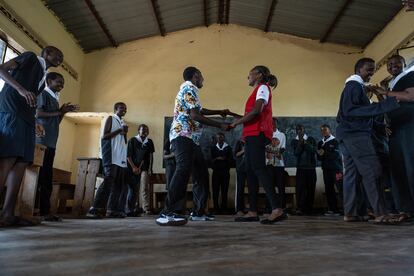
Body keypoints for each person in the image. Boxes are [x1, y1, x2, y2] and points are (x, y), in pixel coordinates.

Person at [156, 66, 230, 226]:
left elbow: (199, 110)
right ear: (195, 76)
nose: (203, 79)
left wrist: (219, 111)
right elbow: (195, 115)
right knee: (183, 169)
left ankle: (197, 212)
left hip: (191, 139)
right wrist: (220, 125)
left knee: (202, 174)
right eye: (201, 76)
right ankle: (167, 212)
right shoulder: (190, 88)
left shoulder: (189, 90)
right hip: (183, 135)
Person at [0, 46, 63, 227]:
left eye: (62, 57)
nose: (60, 57)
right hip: (11, 111)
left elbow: (32, 101)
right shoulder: (30, 57)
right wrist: (20, 89)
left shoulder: (42, 80)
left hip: (27, 119)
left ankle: (8, 214)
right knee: (8, 159)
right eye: (57, 53)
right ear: (46, 53)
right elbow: (1, 69)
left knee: (21, 163)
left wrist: (34, 121)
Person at [336, 57, 401, 224]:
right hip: (356, 136)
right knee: (373, 171)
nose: (371, 73)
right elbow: (350, 111)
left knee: (352, 175)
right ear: (359, 70)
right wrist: (388, 104)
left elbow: (341, 115)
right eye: (368, 70)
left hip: (347, 135)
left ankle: (351, 213)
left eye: (373, 70)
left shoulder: (353, 87)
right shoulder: (354, 86)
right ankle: (381, 213)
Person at [230, 65, 286, 224]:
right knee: (250, 170)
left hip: (257, 133)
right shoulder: (259, 89)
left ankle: (277, 208)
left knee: (259, 168)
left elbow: (256, 112)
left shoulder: (262, 88)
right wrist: (233, 116)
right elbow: (252, 113)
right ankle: (253, 211)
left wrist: (235, 123)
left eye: (250, 74)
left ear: (259, 75)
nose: (247, 77)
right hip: (252, 134)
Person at [372, 55, 414, 222]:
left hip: (409, 127)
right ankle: (405, 209)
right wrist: (380, 94)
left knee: (410, 166)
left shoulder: (410, 76)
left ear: (404, 64)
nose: (393, 66)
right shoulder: (392, 82)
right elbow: (389, 104)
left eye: (397, 63)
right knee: (398, 169)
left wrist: (386, 92)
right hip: (395, 129)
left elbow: (410, 96)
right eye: (389, 64)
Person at [36, 72, 78, 221]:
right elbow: (38, 112)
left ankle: (45, 211)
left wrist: (63, 113)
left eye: (63, 83)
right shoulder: (43, 94)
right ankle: (42, 211)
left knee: (47, 177)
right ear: (48, 81)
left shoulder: (54, 99)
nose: (61, 85)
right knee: (41, 177)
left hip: (51, 142)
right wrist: (59, 111)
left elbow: (55, 121)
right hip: (40, 143)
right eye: (58, 82)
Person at [86, 102, 128, 219]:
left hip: (120, 157)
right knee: (108, 181)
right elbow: (105, 136)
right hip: (111, 155)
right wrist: (120, 130)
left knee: (118, 185)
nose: (124, 110)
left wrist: (124, 132)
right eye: (121, 108)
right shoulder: (111, 118)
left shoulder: (122, 122)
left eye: (125, 108)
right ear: (115, 109)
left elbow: (123, 141)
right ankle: (95, 208)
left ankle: (112, 210)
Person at [125, 124, 155, 216]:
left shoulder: (149, 142)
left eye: (147, 130)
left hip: (144, 168)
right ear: (138, 131)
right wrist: (134, 167)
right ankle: (133, 208)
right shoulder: (132, 141)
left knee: (144, 188)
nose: (145, 132)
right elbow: (128, 156)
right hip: (132, 168)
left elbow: (150, 156)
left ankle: (145, 208)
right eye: (143, 130)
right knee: (133, 188)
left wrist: (150, 168)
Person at [317, 124, 342, 216]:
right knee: (329, 189)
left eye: (325, 130)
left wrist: (324, 153)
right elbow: (319, 158)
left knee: (340, 188)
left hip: (336, 169)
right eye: (322, 130)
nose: (323, 132)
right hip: (326, 169)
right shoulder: (320, 143)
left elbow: (336, 156)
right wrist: (320, 154)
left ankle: (347, 209)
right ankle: (333, 209)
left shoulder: (335, 141)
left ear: (329, 130)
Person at [292, 125, 317, 216]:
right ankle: (300, 208)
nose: (299, 131)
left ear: (304, 130)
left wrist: (305, 143)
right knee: (300, 189)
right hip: (300, 168)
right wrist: (300, 143)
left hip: (311, 168)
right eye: (297, 130)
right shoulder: (294, 141)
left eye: (301, 130)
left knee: (311, 188)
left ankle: (309, 208)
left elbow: (313, 150)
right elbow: (296, 153)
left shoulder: (311, 139)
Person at [211, 132, 233, 213]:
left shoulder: (228, 148)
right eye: (218, 137)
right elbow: (210, 160)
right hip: (216, 172)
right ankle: (216, 208)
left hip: (225, 172)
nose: (219, 139)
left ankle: (224, 208)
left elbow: (231, 160)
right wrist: (216, 159)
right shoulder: (213, 148)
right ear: (216, 139)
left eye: (221, 137)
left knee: (224, 190)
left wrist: (225, 159)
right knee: (215, 190)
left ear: (224, 138)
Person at [234, 139, 247, 216]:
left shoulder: (251, 141)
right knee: (240, 188)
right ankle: (239, 209)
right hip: (240, 168)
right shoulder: (239, 142)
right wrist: (244, 150)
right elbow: (235, 154)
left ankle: (252, 209)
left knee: (252, 188)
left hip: (250, 167)